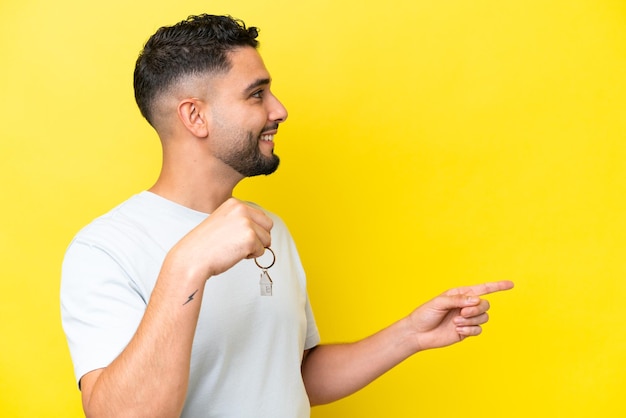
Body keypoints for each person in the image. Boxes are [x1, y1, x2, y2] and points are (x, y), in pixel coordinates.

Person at [60, 14, 514, 418]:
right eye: (256, 95)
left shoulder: (266, 227)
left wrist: (410, 335)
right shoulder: (105, 248)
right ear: (195, 116)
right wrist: (187, 265)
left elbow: (291, 374)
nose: (279, 110)